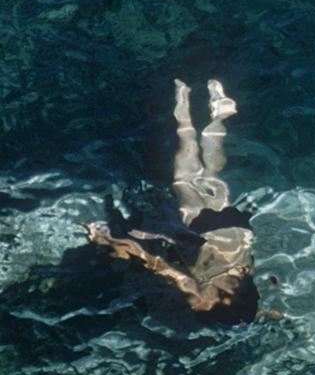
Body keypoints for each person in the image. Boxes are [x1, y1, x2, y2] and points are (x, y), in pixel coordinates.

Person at [83, 79, 261, 323]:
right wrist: (112, 238)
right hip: (206, 235)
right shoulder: (204, 302)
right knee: (183, 177)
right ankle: (183, 106)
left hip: (239, 233)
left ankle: (220, 118)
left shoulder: (246, 292)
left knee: (212, 176)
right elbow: (162, 266)